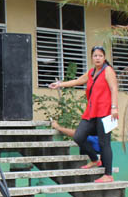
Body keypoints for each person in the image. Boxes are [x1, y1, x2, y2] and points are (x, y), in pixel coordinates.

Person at [48, 45, 118, 183]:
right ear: (92, 58)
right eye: (95, 56)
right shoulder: (91, 72)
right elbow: (77, 81)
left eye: (100, 56)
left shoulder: (108, 71)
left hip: (105, 112)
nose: (97, 58)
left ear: (104, 58)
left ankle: (108, 174)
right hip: (92, 112)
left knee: (105, 143)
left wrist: (114, 108)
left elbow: (114, 88)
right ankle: (94, 159)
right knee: (79, 136)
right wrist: (60, 84)